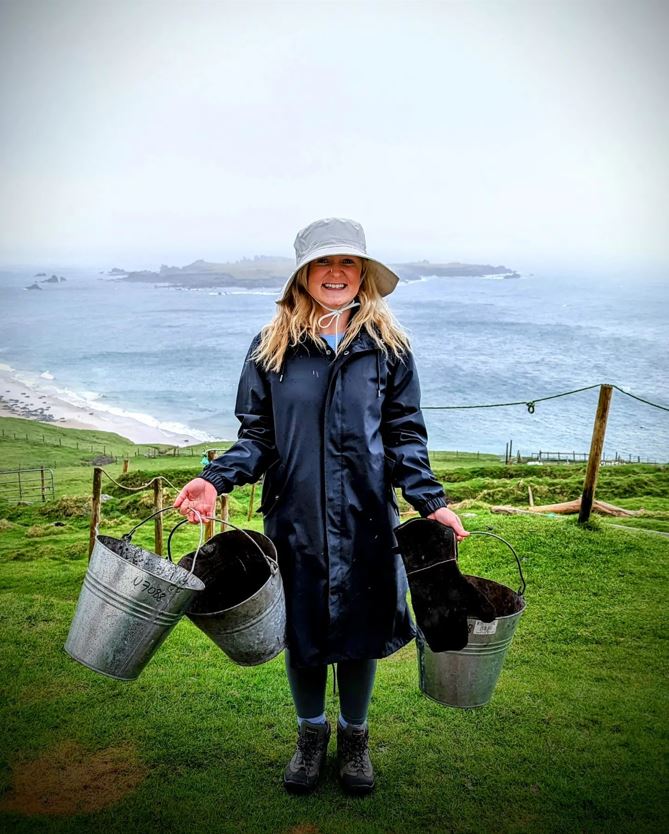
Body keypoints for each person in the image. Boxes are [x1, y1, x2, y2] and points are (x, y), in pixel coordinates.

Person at [174, 217, 468, 795]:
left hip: (367, 519)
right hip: (296, 520)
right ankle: (311, 737)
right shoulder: (270, 348)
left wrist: (431, 503)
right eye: (324, 264)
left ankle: (354, 740)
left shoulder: (390, 350)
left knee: (362, 633)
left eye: (349, 263)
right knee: (304, 636)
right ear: (304, 276)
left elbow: (405, 435)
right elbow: (257, 436)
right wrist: (215, 479)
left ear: (363, 276)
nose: (337, 273)